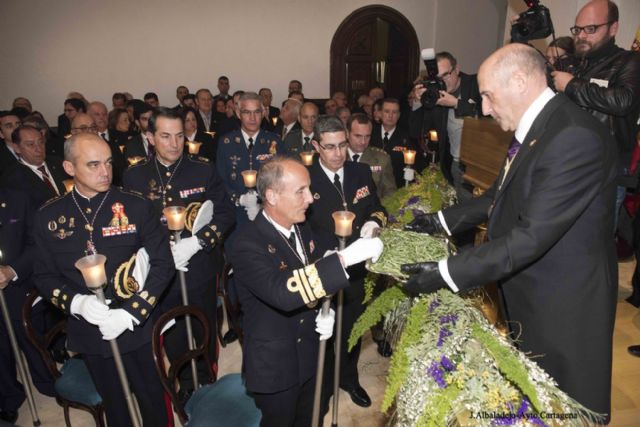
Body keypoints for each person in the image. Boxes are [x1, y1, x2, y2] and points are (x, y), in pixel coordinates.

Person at [402, 43, 617, 419]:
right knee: (532, 397)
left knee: (564, 408)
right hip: (530, 291)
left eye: (487, 94)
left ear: (519, 82)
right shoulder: (537, 127)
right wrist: (441, 220)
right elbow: (501, 197)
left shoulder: (572, 136)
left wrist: (447, 272)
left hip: (563, 305)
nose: (482, 107)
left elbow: (531, 237)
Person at [229, 156, 383, 427]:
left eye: (309, 189)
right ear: (272, 196)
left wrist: (328, 308)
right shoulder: (247, 243)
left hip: (312, 353)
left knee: (312, 416)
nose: (311, 198)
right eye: (300, 191)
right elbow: (283, 292)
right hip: (276, 366)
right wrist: (345, 260)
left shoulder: (301, 228)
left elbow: (319, 262)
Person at [33, 133, 174, 427]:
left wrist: (133, 311)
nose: (105, 172)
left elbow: (163, 264)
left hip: (135, 320)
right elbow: (43, 276)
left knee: (153, 396)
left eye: (108, 163)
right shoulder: (49, 217)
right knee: (113, 402)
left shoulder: (135, 206)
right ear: (70, 168)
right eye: (93, 165)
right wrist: (77, 303)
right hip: (89, 327)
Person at [123, 107, 235, 399]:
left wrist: (198, 242)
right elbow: (130, 225)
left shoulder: (203, 169)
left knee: (203, 326)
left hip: (198, 266)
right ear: (149, 137)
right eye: (164, 136)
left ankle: (207, 380)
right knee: (171, 331)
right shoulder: (134, 177)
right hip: (160, 273)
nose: (174, 144)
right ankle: (184, 383)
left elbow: (225, 214)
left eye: (179, 136)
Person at [306, 115, 388, 409]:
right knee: (325, 333)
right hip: (324, 269)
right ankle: (325, 385)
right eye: (329, 147)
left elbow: (376, 207)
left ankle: (349, 378)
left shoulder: (360, 172)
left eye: (342, 145)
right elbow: (300, 228)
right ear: (316, 146)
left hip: (357, 270)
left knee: (353, 330)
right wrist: (322, 254)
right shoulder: (304, 179)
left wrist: (374, 224)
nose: (338, 153)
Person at [551, 0, 640, 222]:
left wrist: (572, 85)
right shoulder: (575, 65)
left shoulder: (629, 62)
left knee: (593, 246)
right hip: (568, 166)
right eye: (578, 29)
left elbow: (623, 100)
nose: (581, 36)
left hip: (605, 174)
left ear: (613, 28)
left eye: (590, 29)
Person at [0, 188, 56, 424]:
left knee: (32, 341)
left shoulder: (17, 197)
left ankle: (50, 382)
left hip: (18, 286)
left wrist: (12, 270)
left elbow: (37, 244)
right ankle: (9, 397)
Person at [410, 51, 482, 199]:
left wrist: (456, 103)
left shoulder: (477, 83)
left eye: (445, 75)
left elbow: (490, 114)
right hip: (457, 164)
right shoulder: (437, 95)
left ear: (456, 70)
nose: (442, 81)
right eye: (437, 78)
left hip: (483, 166)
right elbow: (415, 130)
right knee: (465, 212)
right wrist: (418, 101)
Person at [216, 92, 283, 225]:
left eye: (257, 112)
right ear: (238, 113)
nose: (252, 118)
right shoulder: (226, 143)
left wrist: (264, 204)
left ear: (263, 113)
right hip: (234, 215)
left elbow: (282, 178)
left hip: (268, 214)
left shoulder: (274, 141)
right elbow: (220, 179)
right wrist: (239, 199)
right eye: (247, 112)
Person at [0, 125, 69, 208]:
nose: (39, 149)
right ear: (17, 148)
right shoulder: (12, 178)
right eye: (30, 144)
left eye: (41, 142)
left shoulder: (59, 163)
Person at [371, 98, 426, 188]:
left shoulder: (408, 137)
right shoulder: (370, 133)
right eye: (387, 111)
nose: (390, 116)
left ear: (399, 115)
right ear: (380, 113)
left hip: (397, 187)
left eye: (394, 112)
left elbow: (418, 165)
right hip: (372, 185)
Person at [346, 113, 396, 199]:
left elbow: (390, 192)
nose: (363, 142)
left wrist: (377, 211)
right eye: (358, 136)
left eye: (367, 136)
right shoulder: (337, 156)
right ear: (347, 133)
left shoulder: (381, 159)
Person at [0, 110, 21, 176]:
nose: (16, 129)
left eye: (18, 124)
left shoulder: (37, 147)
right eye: (9, 126)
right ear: (1, 134)